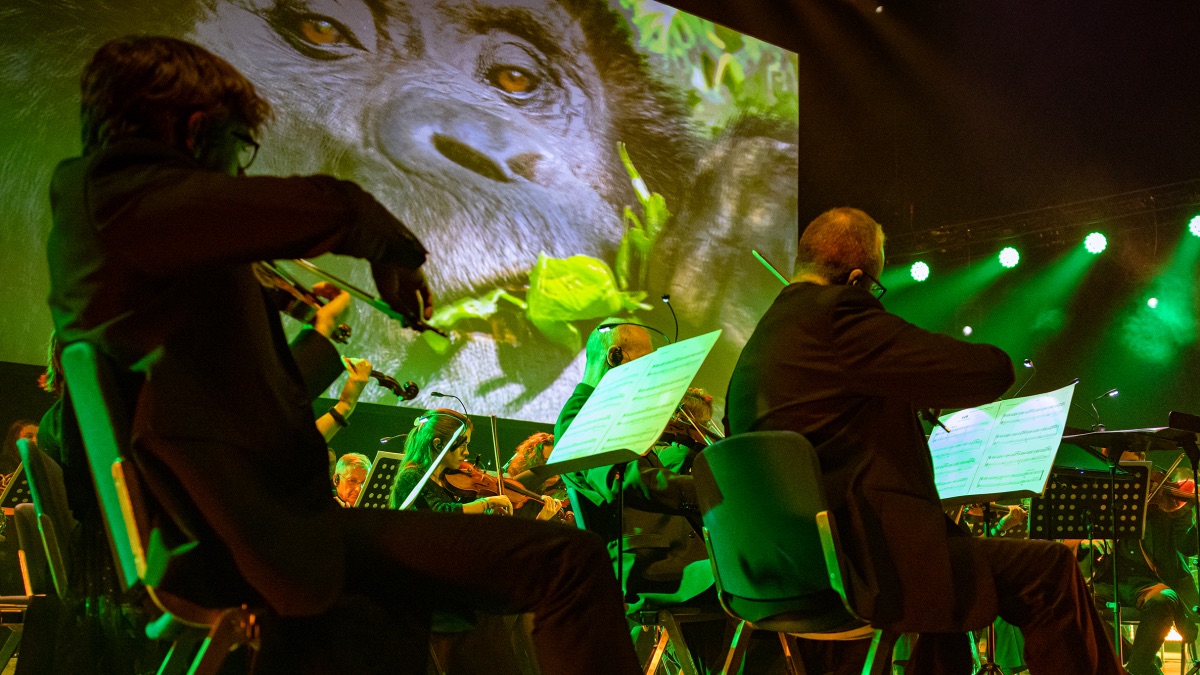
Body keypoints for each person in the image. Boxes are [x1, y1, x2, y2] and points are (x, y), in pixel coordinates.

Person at [46, 35, 639, 674]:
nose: (238, 175)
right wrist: (383, 241)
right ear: (194, 131)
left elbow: (237, 416)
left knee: (422, 607)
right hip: (255, 545)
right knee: (566, 563)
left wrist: (311, 340)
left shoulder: (128, 262)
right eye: (237, 148)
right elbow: (240, 427)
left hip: (244, 534)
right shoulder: (111, 199)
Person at [724, 207, 1121, 674]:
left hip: (777, 574)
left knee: (951, 579)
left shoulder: (759, 344)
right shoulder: (838, 315)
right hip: (863, 570)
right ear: (857, 279)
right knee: (1049, 570)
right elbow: (990, 371)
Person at [1092, 456, 1199, 675]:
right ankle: (1140, 663)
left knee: (1164, 598)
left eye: (1125, 458)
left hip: (1153, 582)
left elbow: (1188, 547)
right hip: (1114, 579)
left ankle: (1137, 668)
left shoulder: (1167, 503)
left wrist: (1192, 514)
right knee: (1076, 601)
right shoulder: (1106, 497)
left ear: (1141, 459)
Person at [391, 409, 562, 520]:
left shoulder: (445, 480)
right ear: (438, 445)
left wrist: (489, 514)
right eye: (463, 445)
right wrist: (487, 503)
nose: (466, 453)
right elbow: (440, 511)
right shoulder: (412, 476)